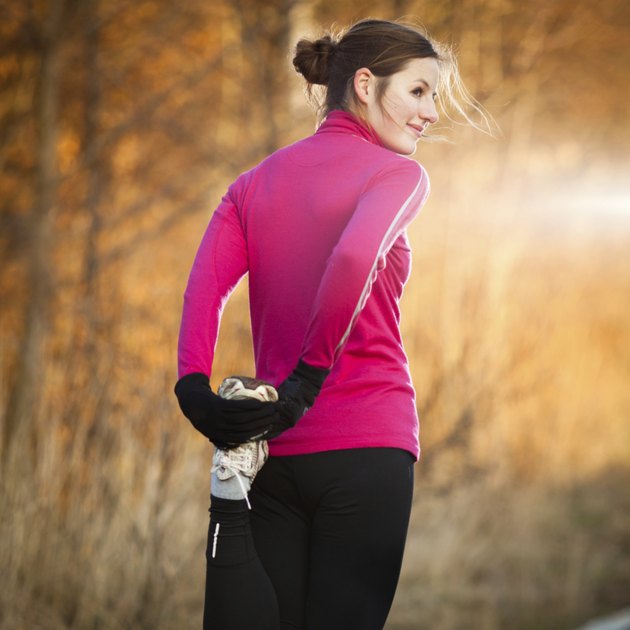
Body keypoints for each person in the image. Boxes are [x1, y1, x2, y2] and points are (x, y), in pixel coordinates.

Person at [174, 18, 491, 630]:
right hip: (367, 448)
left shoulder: (251, 185)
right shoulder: (399, 175)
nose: (431, 112)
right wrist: (306, 382)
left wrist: (193, 390)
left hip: (274, 451)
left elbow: (204, 286)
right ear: (366, 85)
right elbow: (353, 257)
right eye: (419, 91)